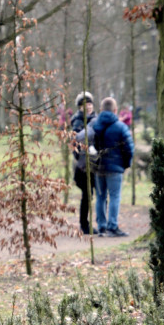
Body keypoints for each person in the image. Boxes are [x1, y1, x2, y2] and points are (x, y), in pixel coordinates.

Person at [87, 97, 134, 237]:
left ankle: (101, 227)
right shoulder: (121, 127)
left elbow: (89, 144)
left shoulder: (93, 125)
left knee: (100, 197)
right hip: (115, 168)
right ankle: (112, 227)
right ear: (115, 110)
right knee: (114, 196)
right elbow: (129, 149)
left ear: (101, 110)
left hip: (98, 167)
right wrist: (125, 164)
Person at [70, 91, 97, 235]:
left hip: (95, 164)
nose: (88, 107)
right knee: (87, 195)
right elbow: (75, 145)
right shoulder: (78, 122)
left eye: (90, 104)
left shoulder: (96, 119)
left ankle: (95, 223)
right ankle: (84, 225)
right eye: (84, 105)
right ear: (80, 107)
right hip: (83, 166)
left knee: (94, 194)